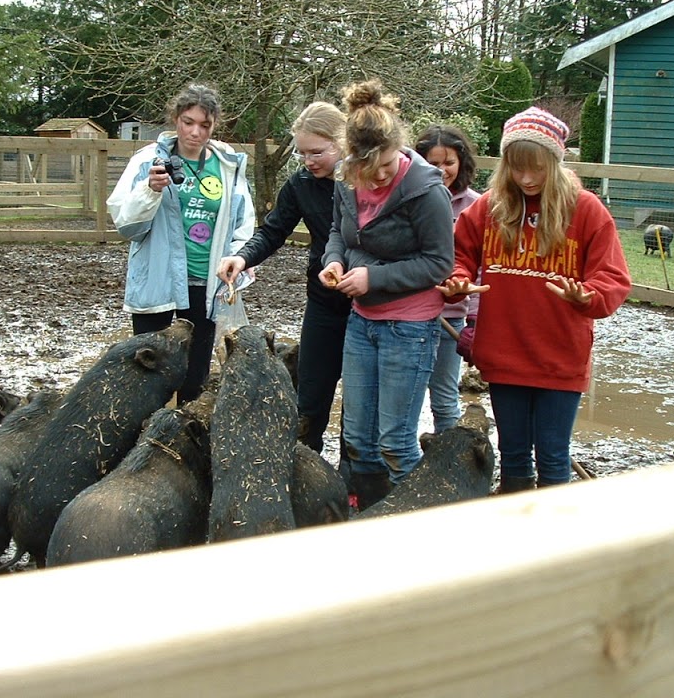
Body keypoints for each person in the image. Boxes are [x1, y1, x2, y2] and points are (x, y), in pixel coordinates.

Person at [438, 107, 631, 491]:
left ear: (555, 164)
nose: (526, 179)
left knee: (553, 456)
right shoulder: (491, 206)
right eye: (517, 168)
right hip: (504, 352)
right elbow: (458, 253)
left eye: (537, 168)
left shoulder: (587, 210)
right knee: (512, 454)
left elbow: (613, 278)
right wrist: (457, 279)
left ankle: (556, 543)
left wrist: (587, 296)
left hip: (560, 357)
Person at [319, 79, 454, 510]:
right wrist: (334, 263)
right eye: (370, 168)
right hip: (363, 322)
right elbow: (338, 236)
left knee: (395, 440)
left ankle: (419, 521)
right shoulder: (346, 182)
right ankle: (376, 518)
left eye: (387, 163)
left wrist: (372, 279)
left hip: (410, 327)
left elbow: (438, 264)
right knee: (358, 438)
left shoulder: (425, 190)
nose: (380, 176)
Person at [217, 102, 353, 475]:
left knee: (358, 400)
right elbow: (274, 230)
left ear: (342, 143)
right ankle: (304, 468)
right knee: (311, 393)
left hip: (368, 305)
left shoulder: (365, 181)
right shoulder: (301, 185)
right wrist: (242, 258)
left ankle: (352, 476)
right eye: (302, 152)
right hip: (324, 300)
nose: (308, 160)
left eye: (317, 152)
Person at [107, 83, 255, 403]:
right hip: (158, 279)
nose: (195, 132)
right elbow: (126, 225)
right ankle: (144, 445)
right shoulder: (147, 160)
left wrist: (238, 260)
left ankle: (185, 444)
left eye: (205, 125)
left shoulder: (227, 165)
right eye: (188, 122)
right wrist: (150, 191)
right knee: (149, 373)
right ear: (175, 119)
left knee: (195, 378)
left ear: (215, 124)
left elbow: (244, 223)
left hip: (207, 281)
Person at [414, 124, 481, 433]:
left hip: (451, 317)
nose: (441, 170)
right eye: (433, 163)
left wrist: (474, 320)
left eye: (448, 163)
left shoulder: (476, 207)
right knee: (408, 398)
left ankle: (449, 458)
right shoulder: (411, 199)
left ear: (461, 162)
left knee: (443, 398)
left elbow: (479, 268)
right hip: (411, 316)